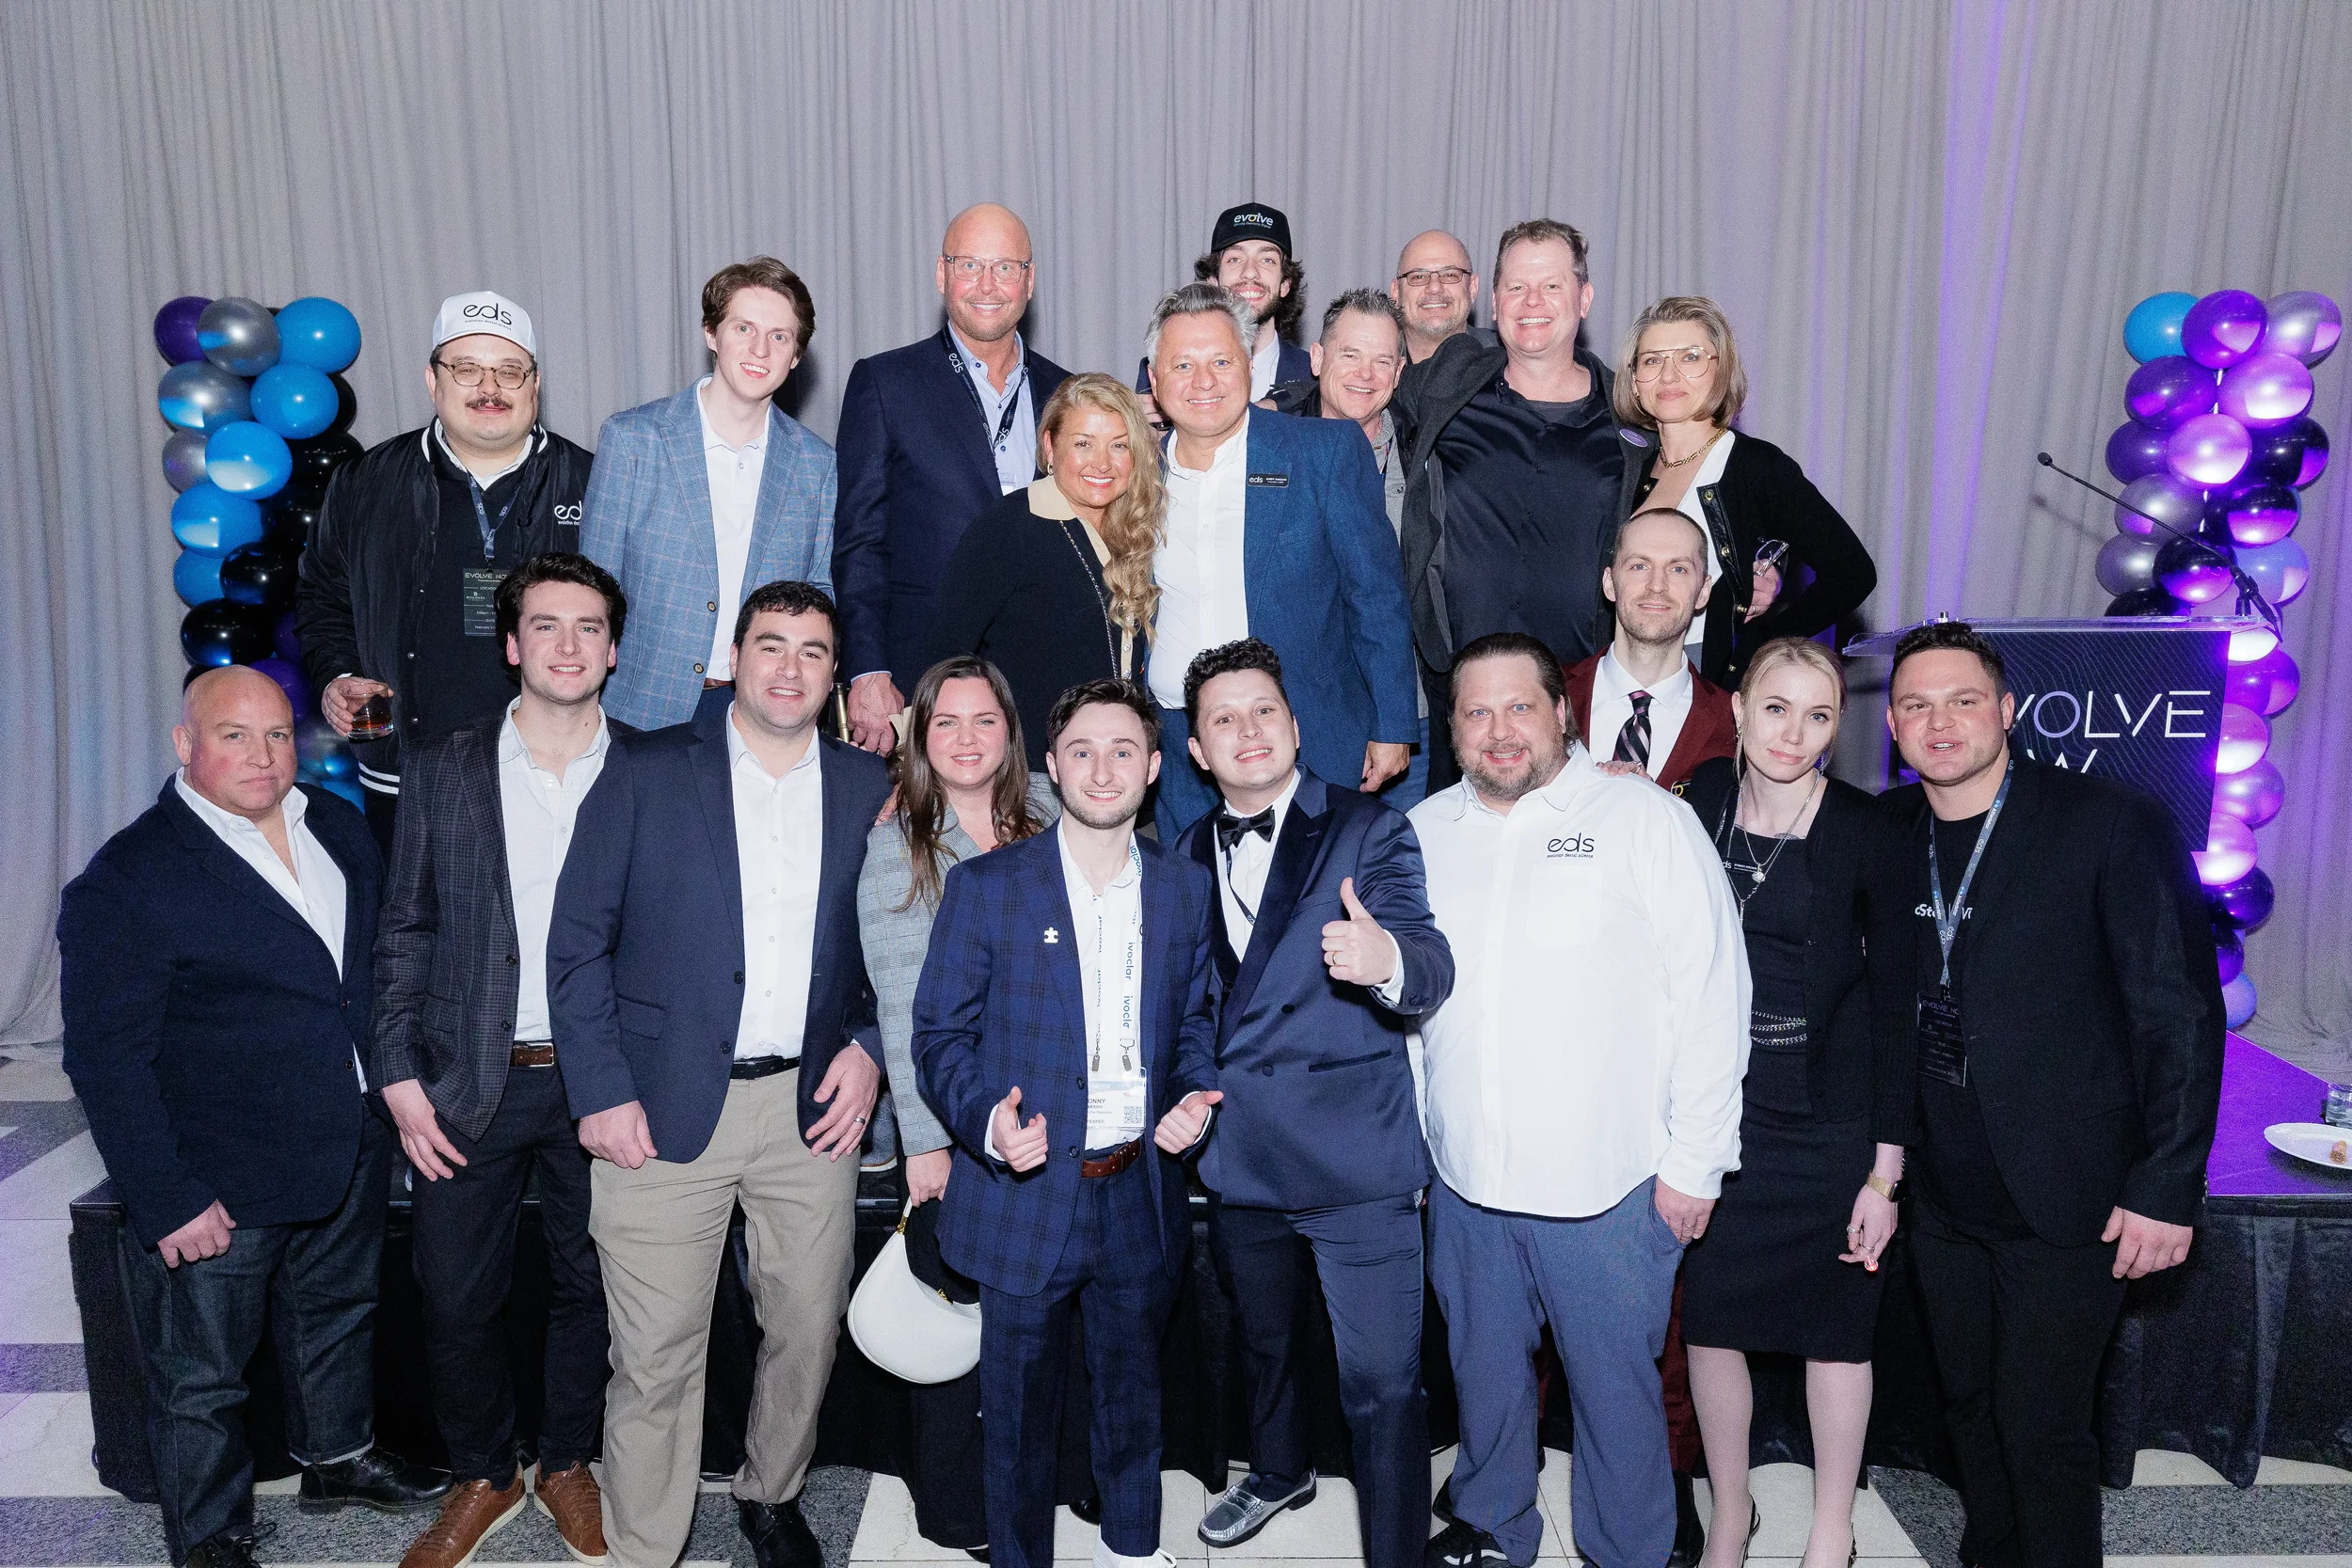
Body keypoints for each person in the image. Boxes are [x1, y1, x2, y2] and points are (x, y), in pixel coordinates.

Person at [57, 667, 448, 1568]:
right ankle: (207, 1534)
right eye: (234, 735)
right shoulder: (128, 879)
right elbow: (105, 1061)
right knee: (201, 1373)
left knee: (339, 1311)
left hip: (348, 1139)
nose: (263, 755)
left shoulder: (339, 827)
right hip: (218, 1177)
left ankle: (338, 1457)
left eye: (276, 734)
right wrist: (165, 1196)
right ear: (185, 744)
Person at [547, 580, 893, 1568]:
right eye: (771, 644)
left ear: (833, 676)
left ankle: (772, 1492)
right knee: (653, 1356)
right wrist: (602, 1090)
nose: (790, 666)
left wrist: (867, 1047)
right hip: (656, 1110)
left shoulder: (868, 787)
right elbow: (575, 946)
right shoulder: (648, 768)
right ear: (734, 657)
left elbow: (894, 946)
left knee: (806, 1329)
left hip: (809, 1110)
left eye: (814, 651)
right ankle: (646, 1543)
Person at [1881, 621, 2222, 1568]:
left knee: (2042, 1428)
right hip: (1943, 1199)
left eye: (1959, 698)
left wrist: (2164, 1184)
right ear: (1895, 730)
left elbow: (2180, 1015)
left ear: (2006, 710)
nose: (1937, 720)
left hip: (2068, 1194)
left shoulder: (2108, 823)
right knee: (1968, 1412)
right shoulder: (1887, 829)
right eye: (1914, 704)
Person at [1411, 634, 1747, 1568]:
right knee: (1483, 1378)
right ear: (1452, 730)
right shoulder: (1423, 831)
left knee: (1613, 1391)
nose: (1499, 728)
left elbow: (1714, 990)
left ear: (1563, 713)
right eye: (1476, 711)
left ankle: (1630, 1548)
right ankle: (1493, 1521)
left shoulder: (1644, 818)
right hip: (1468, 1180)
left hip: (1611, 1186)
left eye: (1520, 705)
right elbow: (1407, 1003)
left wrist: (1695, 1163)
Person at [912, 679, 1220, 1568]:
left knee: (1132, 1392)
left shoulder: (1182, 889)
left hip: (1136, 1189)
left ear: (1156, 768)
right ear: (1051, 765)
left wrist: (1193, 1094)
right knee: (1015, 1415)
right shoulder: (988, 888)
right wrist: (984, 1122)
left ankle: (1131, 1548)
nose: (1102, 766)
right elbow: (939, 1036)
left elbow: (1196, 1020)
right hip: (1027, 1187)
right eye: (1080, 750)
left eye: (1125, 749)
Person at [1172, 639, 1453, 1568]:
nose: (1247, 729)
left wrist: (1389, 966)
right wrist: (1183, 1091)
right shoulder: (1182, 850)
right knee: (1265, 1341)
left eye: (1263, 710)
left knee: (1381, 1380)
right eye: (1223, 718)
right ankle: (1280, 1467)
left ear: (1294, 725)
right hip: (1241, 1150)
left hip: (1353, 1159)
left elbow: (1428, 958)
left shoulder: (1367, 828)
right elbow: (1188, 1010)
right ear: (1199, 750)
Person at [371, 554, 628, 1568]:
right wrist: (396, 1073)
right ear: (513, 642)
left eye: (590, 626)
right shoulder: (444, 764)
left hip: (605, 1080)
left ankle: (567, 1458)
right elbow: (405, 927)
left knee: (591, 1281)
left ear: (613, 647)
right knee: (453, 1289)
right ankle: (484, 1470)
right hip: (465, 1077)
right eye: (547, 625)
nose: (569, 645)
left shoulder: (655, 767)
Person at [1674, 638, 1910, 1568]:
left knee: (1836, 1333)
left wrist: (1884, 1176)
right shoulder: (1697, 800)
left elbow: (1897, 1008)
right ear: (1736, 707)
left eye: (1818, 715)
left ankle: (1831, 1528)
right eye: (1776, 707)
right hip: (1715, 1117)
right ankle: (1729, 1512)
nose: (1794, 731)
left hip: (1827, 1125)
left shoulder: (1868, 828)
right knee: (1713, 1321)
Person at [855, 656, 1057, 1550]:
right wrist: (926, 1144)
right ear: (918, 736)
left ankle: (1062, 1475)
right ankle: (957, 1507)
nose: (968, 739)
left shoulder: (1051, 814)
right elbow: (900, 1001)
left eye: (986, 721)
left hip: (1059, 1108)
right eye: (947, 722)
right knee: (958, 1315)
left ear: (1010, 732)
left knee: (1051, 1305)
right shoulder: (900, 841)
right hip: (960, 1115)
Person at [296, 291, 595, 851]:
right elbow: (323, 597)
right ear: (433, 382)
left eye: (510, 371)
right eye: (466, 369)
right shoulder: (367, 482)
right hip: (406, 778)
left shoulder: (592, 483)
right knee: (415, 935)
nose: (489, 389)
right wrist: (338, 677)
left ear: (535, 384)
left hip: (558, 775)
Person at [1141, 282, 1419, 836]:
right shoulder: (1134, 475)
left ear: (1249, 365)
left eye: (1221, 360)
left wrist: (1393, 725)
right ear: (1154, 380)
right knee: (1195, 911)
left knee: (1312, 911)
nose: (1203, 381)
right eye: (1183, 364)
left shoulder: (1324, 452)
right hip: (1176, 752)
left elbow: (1376, 597)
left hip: (1310, 736)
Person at [1391, 221, 1634, 792]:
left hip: (1579, 693)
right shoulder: (1446, 385)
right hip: (1463, 693)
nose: (1532, 303)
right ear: (1493, 299)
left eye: (1551, 286)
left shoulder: (1628, 414)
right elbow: (1353, 399)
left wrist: (1749, 565)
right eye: (1517, 287)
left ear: (1584, 297)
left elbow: (1691, 483)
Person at [835, 203, 1073, 752]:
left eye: (1006, 267)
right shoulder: (885, 383)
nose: (987, 285)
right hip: (919, 677)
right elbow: (859, 542)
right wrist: (867, 668)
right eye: (969, 265)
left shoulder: (1070, 395)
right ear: (942, 275)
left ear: (1029, 280)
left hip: (1043, 681)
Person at [583, 258, 838, 732]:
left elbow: (819, 594)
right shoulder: (633, 440)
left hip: (764, 716)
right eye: (744, 328)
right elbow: (592, 591)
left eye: (780, 337)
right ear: (711, 334)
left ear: (796, 355)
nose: (760, 349)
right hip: (638, 709)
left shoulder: (817, 465)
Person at [1613, 296, 1876, 687]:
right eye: (1652, 360)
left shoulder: (1755, 467)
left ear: (1721, 372)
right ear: (1634, 381)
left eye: (1690, 357)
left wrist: (1761, 643)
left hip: (1705, 680)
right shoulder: (1623, 468)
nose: (1668, 376)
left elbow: (1851, 572)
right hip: (1618, 672)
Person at [925, 374, 1164, 769]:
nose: (1102, 463)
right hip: (1030, 775)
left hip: (1117, 769)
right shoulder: (1009, 526)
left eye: (1119, 445)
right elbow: (944, 655)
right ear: (1050, 447)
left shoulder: (1138, 532)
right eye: (1083, 443)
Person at [1263, 290, 1429, 805]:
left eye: (1382, 360)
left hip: (1407, 711)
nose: (1366, 374)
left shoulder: (1428, 449)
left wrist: (1395, 719)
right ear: (1317, 359)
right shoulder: (1267, 447)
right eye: (1350, 355)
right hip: (1298, 714)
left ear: (1400, 372)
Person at [1566, 507, 1738, 791]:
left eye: (1678, 569)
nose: (1657, 585)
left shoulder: (1733, 725)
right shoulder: (1546, 695)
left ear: (1704, 591)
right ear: (1610, 583)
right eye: (1639, 566)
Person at [1138, 203, 1313, 409]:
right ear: (1213, 280)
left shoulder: (1315, 374)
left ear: (1285, 284)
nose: (1250, 272)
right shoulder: (1165, 369)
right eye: (1235, 259)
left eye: (1267, 260)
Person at [1390, 230, 1489, 363]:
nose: (1435, 288)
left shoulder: (1509, 363)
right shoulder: (1368, 370)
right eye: (1418, 277)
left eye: (1450, 275)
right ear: (1396, 292)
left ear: (1472, 288)